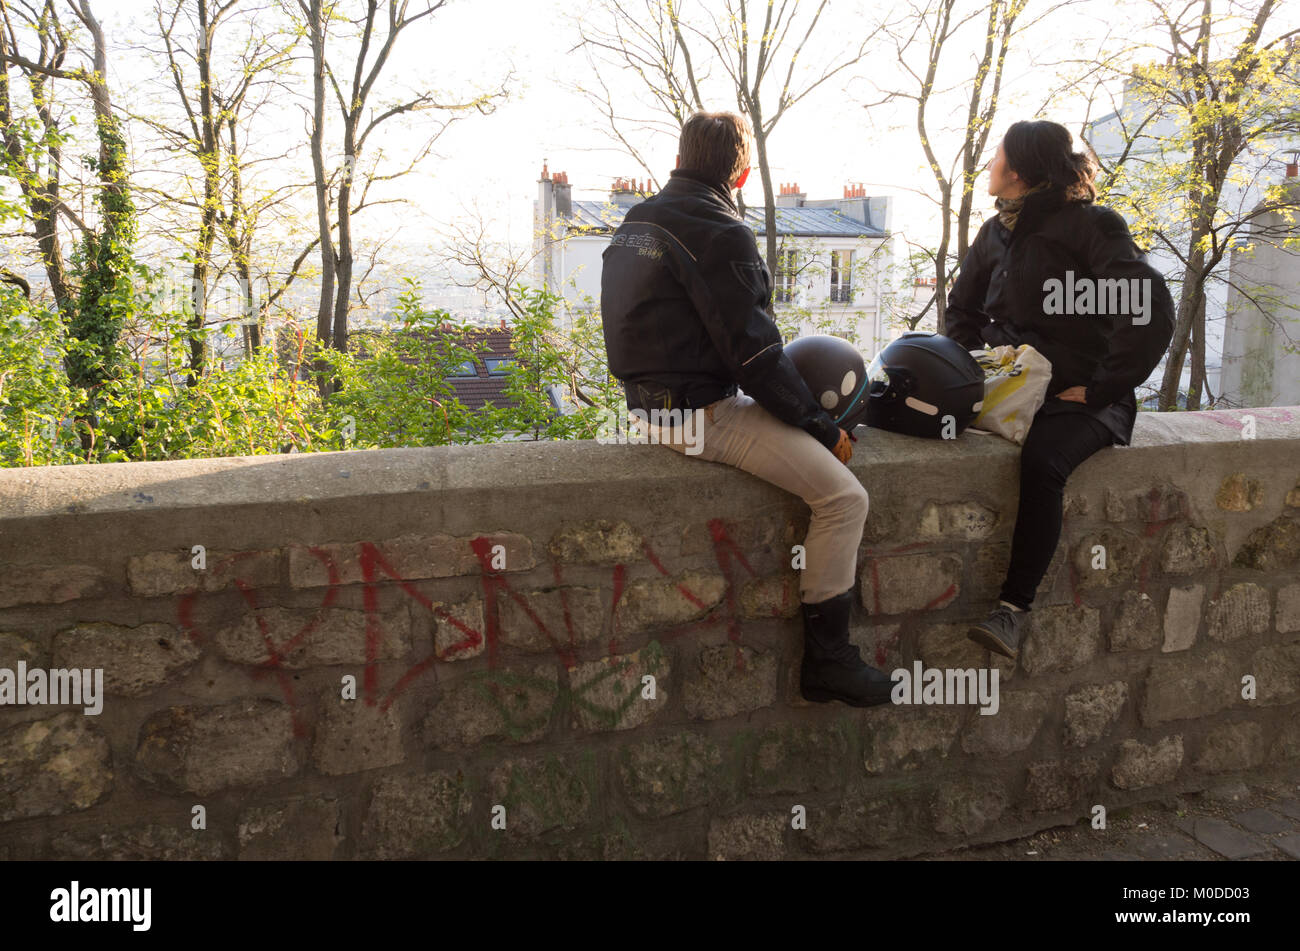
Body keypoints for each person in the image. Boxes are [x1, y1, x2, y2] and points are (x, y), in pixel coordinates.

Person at [599, 110, 892, 707]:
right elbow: (757, 355)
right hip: (699, 417)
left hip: (645, 410)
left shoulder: (636, 219)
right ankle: (829, 661)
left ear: (679, 159)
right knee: (844, 498)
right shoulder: (719, 230)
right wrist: (820, 424)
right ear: (743, 172)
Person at [944, 119, 1175, 659]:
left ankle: (1012, 611)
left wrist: (1103, 388)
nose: (989, 164)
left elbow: (1150, 308)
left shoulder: (1091, 227)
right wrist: (974, 368)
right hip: (1010, 390)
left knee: (1043, 463)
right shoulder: (994, 233)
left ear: (1018, 171)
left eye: (997, 155)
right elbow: (961, 309)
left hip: (1079, 397)